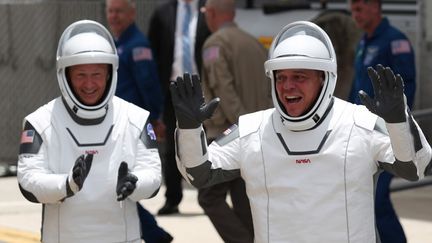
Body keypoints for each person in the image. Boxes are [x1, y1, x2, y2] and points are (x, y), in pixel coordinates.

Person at [169, 21, 432, 242]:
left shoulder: (359, 123)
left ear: (324, 79)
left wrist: (399, 119)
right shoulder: (253, 129)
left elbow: (414, 167)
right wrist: (190, 128)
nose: (287, 87)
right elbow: (198, 173)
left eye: (299, 76)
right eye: (281, 77)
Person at [17, 20, 161, 243]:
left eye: (97, 74)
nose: (89, 84)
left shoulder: (135, 118)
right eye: (80, 75)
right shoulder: (40, 122)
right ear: (65, 75)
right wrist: (67, 184)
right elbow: (28, 181)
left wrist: (134, 182)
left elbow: (152, 173)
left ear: (110, 74)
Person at [197, 0, 272, 242]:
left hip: (229, 134)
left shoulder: (214, 44)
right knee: (243, 201)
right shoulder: (254, 43)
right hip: (258, 134)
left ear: (211, 13)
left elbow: (222, 92)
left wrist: (243, 128)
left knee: (209, 197)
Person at [105, 1, 173, 242]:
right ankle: (155, 235)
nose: (114, 16)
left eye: (119, 11)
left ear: (132, 14)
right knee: (118, 188)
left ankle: (154, 235)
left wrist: (154, 119)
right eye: (110, 11)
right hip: (114, 127)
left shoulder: (136, 46)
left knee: (120, 187)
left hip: (131, 129)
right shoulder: (115, 44)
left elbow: (150, 86)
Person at [349, 1, 416, 242]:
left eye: (359, 9)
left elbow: (407, 88)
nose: (354, 15)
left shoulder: (395, 41)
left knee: (376, 200)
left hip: (386, 136)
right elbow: (356, 90)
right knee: (367, 200)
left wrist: (395, 126)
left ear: (375, 7)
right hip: (361, 135)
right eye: (352, 10)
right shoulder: (364, 42)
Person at [148, 0, 211, 215]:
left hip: (204, 90)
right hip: (172, 91)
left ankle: (210, 195)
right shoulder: (162, 12)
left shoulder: (208, 9)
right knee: (172, 147)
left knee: (209, 141)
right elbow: (153, 51)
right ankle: (172, 198)